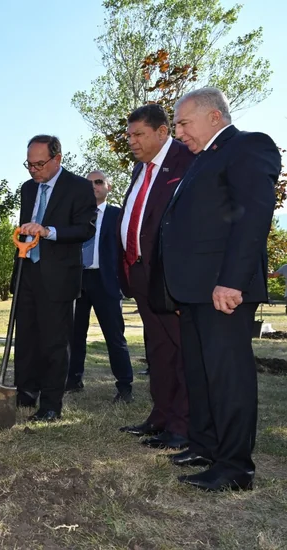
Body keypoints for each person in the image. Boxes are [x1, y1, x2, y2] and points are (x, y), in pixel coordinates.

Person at [161, 87, 279, 491]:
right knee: (201, 374)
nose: (177, 132)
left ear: (214, 117)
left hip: (222, 289)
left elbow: (252, 218)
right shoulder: (200, 160)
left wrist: (232, 281)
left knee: (228, 378)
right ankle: (205, 445)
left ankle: (234, 468)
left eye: (182, 123)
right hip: (195, 291)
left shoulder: (248, 146)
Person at [117, 104, 194, 451]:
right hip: (139, 273)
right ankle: (160, 416)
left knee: (182, 351)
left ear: (162, 132)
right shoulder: (140, 168)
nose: (131, 141)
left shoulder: (186, 160)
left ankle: (182, 426)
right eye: (129, 135)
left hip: (170, 276)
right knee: (158, 349)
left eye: (138, 135)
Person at [13, 135, 97, 422]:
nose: (33, 170)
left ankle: (50, 404)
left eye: (39, 164)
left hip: (58, 277)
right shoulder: (27, 189)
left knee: (54, 342)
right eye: (29, 164)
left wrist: (49, 231)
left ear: (57, 158)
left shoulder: (79, 187)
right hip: (27, 272)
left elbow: (85, 230)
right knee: (25, 338)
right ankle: (25, 392)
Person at [67, 170, 134, 402]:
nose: (93, 186)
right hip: (78, 279)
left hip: (106, 281)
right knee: (74, 335)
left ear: (109, 186)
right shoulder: (75, 215)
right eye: (89, 183)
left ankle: (125, 386)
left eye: (98, 182)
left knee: (114, 336)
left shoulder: (119, 215)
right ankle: (73, 380)